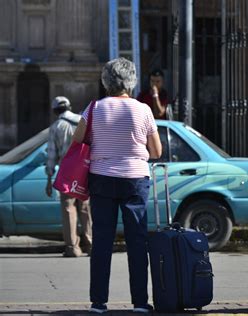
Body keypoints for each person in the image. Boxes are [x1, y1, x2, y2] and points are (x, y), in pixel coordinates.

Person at [72, 58, 162, 314]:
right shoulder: (143, 109)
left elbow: (77, 143)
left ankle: (98, 303)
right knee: (137, 241)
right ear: (131, 81)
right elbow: (156, 151)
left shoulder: (93, 108)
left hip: (101, 178)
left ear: (106, 81)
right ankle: (140, 303)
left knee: (102, 241)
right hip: (135, 179)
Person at [45, 96, 92, 258]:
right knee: (85, 207)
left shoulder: (56, 127)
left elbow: (51, 155)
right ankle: (90, 244)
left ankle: (72, 247)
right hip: (85, 170)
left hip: (67, 172)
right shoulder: (82, 120)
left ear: (55, 111)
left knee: (68, 208)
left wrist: (49, 179)